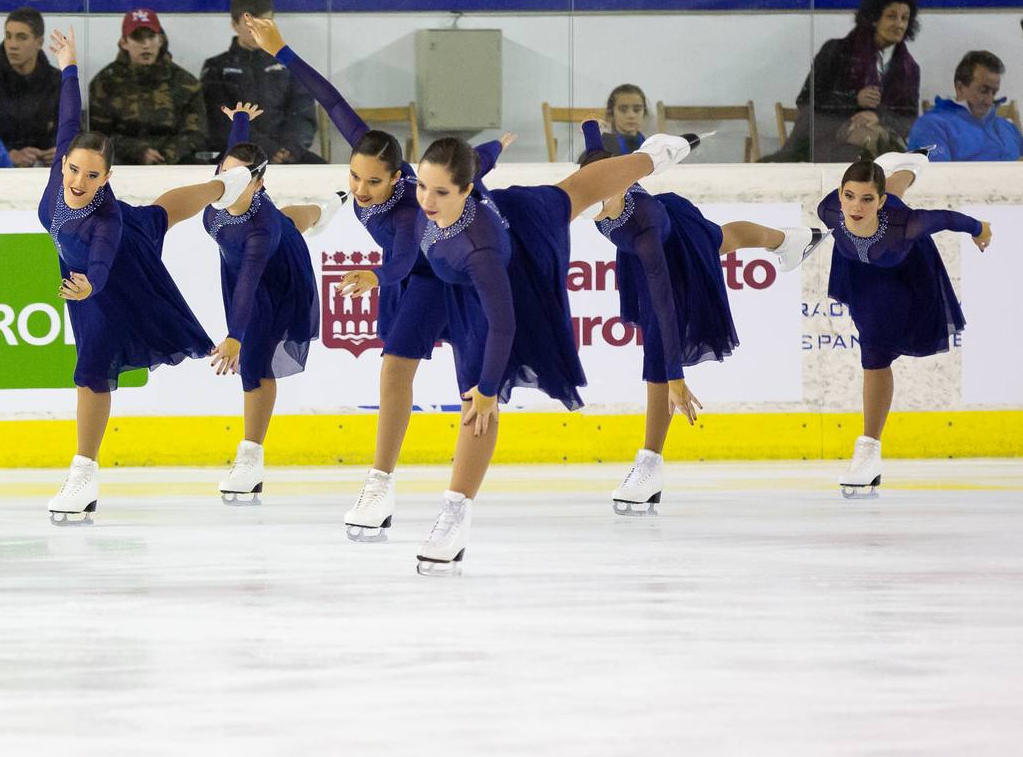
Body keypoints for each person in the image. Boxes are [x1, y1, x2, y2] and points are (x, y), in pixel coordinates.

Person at [404, 127, 700, 575]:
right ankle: (653, 156)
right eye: (422, 185)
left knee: (478, 401)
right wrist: (495, 148)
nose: (426, 199)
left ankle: (455, 513)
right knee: (575, 191)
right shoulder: (451, 187)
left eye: (441, 191)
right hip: (509, 222)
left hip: (509, 276)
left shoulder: (478, 250)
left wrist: (487, 390)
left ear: (466, 190)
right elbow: (478, 158)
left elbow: (504, 323)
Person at [251, 16, 497, 543]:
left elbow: (406, 262)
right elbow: (333, 101)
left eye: (373, 182)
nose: (361, 190)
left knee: (469, 384)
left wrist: (373, 274)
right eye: (354, 177)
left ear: (396, 176)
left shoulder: (409, 209)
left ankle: (457, 502)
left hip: (444, 278)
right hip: (415, 279)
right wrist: (283, 49)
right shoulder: (371, 153)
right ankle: (380, 484)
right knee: (393, 373)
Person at [39, 29, 239, 524]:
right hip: (89, 266)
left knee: (91, 369)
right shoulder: (59, 174)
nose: (79, 181)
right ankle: (224, 182)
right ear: (64, 162)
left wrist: (91, 286)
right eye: (75, 170)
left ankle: (83, 472)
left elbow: (104, 257)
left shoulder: (105, 219)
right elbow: (70, 116)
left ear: (107, 179)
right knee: (162, 212)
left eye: (93, 176)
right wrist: (69, 64)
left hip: (111, 268)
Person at [575, 121, 823, 515]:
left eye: (602, 195)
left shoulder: (643, 227)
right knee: (727, 238)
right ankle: (795, 240)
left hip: (670, 250)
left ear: (621, 182)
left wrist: (677, 378)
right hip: (663, 238)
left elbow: (664, 304)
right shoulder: (595, 180)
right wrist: (592, 126)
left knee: (658, 347)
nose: (596, 201)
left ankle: (650, 463)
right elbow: (594, 154)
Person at [818, 154, 992, 498]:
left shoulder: (905, 224)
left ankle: (868, 451)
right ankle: (908, 165)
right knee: (892, 186)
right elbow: (859, 203)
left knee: (875, 352)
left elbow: (946, 218)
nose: (856, 206)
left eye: (867, 198)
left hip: (903, 270)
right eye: (850, 196)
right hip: (859, 271)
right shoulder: (828, 210)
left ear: (879, 202)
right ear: (840, 194)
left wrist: (980, 228)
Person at [194, 103, 325, 502]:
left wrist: (235, 336)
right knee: (294, 220)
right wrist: (240, 121)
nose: (226, 184)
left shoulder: (260, 231)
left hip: (277, 283)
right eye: (223, 175)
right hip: (254, 259)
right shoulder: (222, 192)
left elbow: (249, 282)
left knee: (254, 363)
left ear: (259, 185)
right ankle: (326, 207)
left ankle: (250, 458)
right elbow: (237, 160)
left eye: (239, 180)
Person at [767, 0, 921, 163]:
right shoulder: (836, 51)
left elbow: (909, 120)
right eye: (891, 16)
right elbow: (808, 99)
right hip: (827, 140)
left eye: (905, 18)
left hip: (877, 145)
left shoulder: (909, 68)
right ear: (873, 19)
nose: (899, 24)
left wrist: (877, 116)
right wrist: (854, 99)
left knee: (886, 157)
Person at [201, 0, 319, 163]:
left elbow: (302, 113)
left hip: (287, 155)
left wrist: (290, 148)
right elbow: (219, 122)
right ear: (235, 24)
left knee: (328, 176)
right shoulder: (216, 68)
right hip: (237, 156)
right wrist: (267, 149)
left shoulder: (290, 65)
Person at [89, 7, 206, 165]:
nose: (146, 45)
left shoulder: (185, 82)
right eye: (138, 38)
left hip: (175, 162)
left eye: (151, 37)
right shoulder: (105, 83)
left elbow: (197, 133)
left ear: (161, 40)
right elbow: (96, 135)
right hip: (123, 163)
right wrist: (137, 151)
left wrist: (167, 156)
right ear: (124, 43)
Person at [0, 6, 62, 168]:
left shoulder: (59, 82)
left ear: (39, 42)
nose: (12, 45)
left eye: (21, 37)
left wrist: (62, 150)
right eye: (8, 36)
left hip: (49, 172)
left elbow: (74, 130)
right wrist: (7, 153)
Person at [907, 51, 1021, 162]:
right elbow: (936, 177)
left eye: (994, 92)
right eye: (983, 91)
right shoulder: (930, 127)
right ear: (960, 88)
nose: (989, 101)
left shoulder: (1008, 127)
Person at [598, 84, 649, 156]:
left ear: (644, 112)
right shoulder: (601, 147)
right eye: (623, 110)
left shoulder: (651, 146)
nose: (631, 115)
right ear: (612, 112)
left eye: (637, 110)